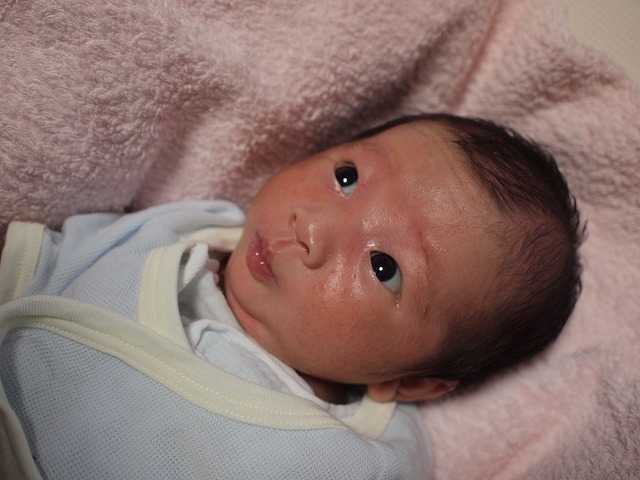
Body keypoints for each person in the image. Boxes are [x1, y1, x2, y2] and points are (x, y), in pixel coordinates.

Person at [0, 113, 583, 479]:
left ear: (409, 382)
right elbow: (30, 261)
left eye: (383, 266)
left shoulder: (361, 459)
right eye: (347, 178)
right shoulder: (179, 233)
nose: (314, 226)